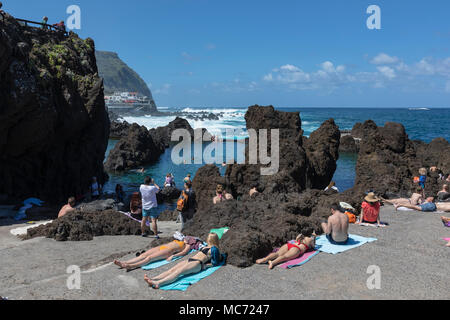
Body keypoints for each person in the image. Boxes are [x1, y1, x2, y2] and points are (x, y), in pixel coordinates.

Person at [144, 233, 225, 289]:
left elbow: (216, 262)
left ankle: (158, 283)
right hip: (191, 260)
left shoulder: (214, 249)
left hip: (197, 263)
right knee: (172, 269)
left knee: (178, 272)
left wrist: (206, 266)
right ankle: (154, 279)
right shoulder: (206, 246)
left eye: (209, 238)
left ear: (211, 239)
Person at [113, 235, 202, 270]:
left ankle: (131, 266)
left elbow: (184, 253)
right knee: (144, 254)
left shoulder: (188, 245)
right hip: (162, 247)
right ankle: (124, 263)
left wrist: (173, 256)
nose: (187, 238)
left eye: (190, 238)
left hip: (168, 251)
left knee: (149, 258)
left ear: (193, 241)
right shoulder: (181, 240)